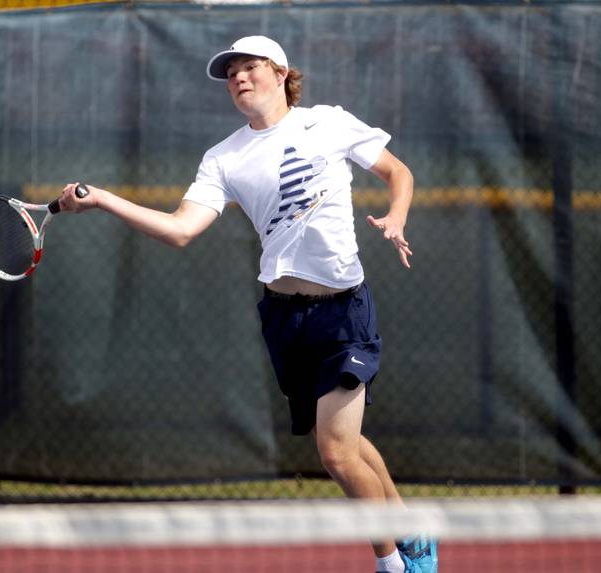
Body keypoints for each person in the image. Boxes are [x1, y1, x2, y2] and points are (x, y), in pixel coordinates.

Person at [58, 35, 437, 573]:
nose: (238, 78)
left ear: (281, 73)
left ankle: (396, 563)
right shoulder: (224, 157)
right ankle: (410, 525)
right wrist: (102, 200)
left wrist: (397, 215)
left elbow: (398, 172)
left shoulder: (327, 122)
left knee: (335, 454)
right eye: (231, 72)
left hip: (343, 310)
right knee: (347, 443)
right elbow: (181, 229)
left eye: (250, 67)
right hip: (285, 319)